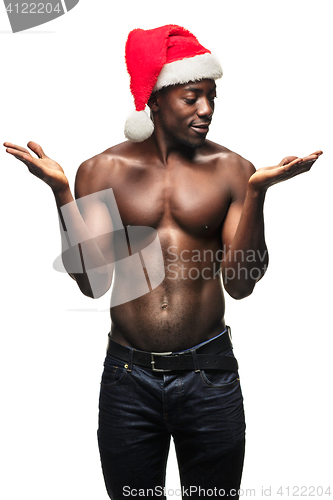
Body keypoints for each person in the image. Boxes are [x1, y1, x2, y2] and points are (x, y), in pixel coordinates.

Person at [4, 24, 322, 500]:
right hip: (128, 380)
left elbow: (241, 284)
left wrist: (257, 194)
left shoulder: (233, 170)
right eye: (193, 97)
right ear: (155, 99)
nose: (207, 110)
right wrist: (62, 192)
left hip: (209, 376)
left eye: (212, 97)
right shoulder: (102, 170)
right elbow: (92, 282)